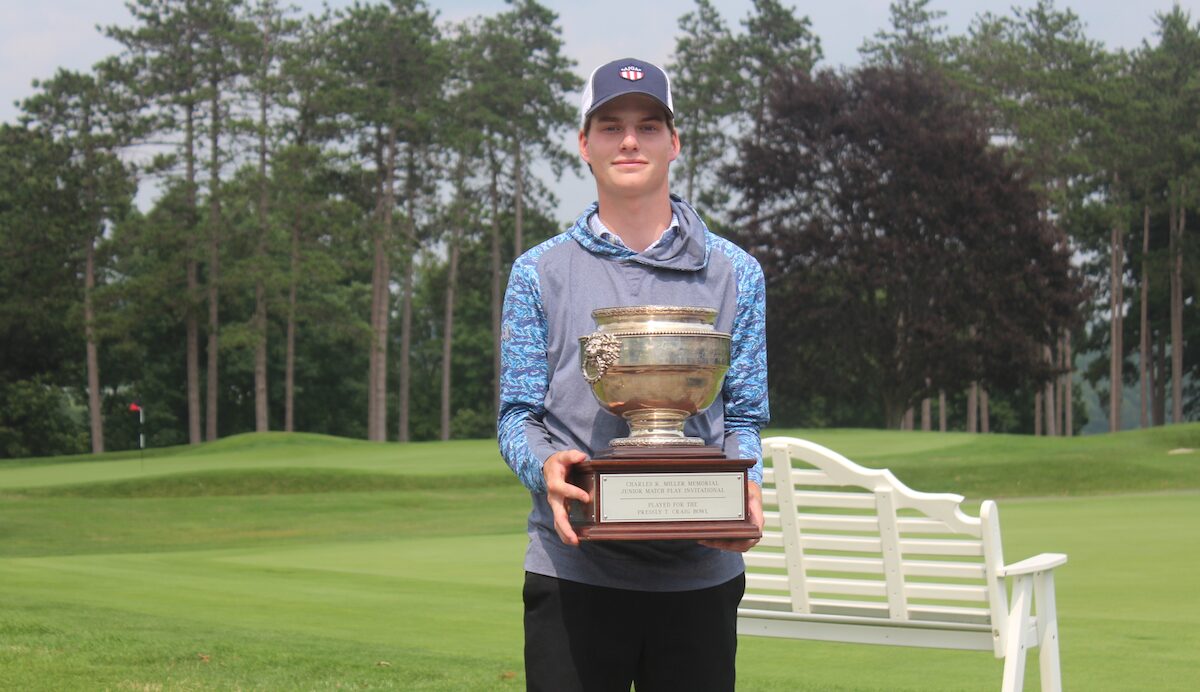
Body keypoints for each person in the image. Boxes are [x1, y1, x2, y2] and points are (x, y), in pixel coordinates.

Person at [497, 57, 769, 692]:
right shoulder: (538, 271)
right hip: (573, 570)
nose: (628, 141)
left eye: (648, 126)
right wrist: (543, 466)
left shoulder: (737, 272)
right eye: (610, 125)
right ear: (583, 144)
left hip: (700, 576)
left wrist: (745, 488)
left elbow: (745, 415)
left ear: (674, 143)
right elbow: (519, 414)